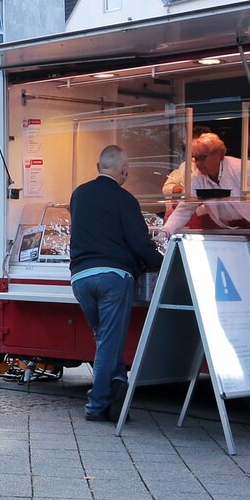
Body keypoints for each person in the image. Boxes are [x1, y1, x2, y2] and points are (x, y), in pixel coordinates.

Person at [68, 145, 164, 423]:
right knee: (109, 341)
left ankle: (117, 390)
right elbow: (138, 242)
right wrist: (161, 261)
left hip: (81, 277)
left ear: (98, 166)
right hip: (113, 276)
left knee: (104, 338)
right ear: (123, 171)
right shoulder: (126, 200)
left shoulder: (79, 194)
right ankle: (96, 406)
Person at [162, 132, 250, 233]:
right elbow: (184, 210)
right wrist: (165, 232)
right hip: (230, 228)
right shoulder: (197, 178)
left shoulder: (239, 169)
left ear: (219, 155)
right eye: (195, 158)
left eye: (202, 157)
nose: (198, 163)